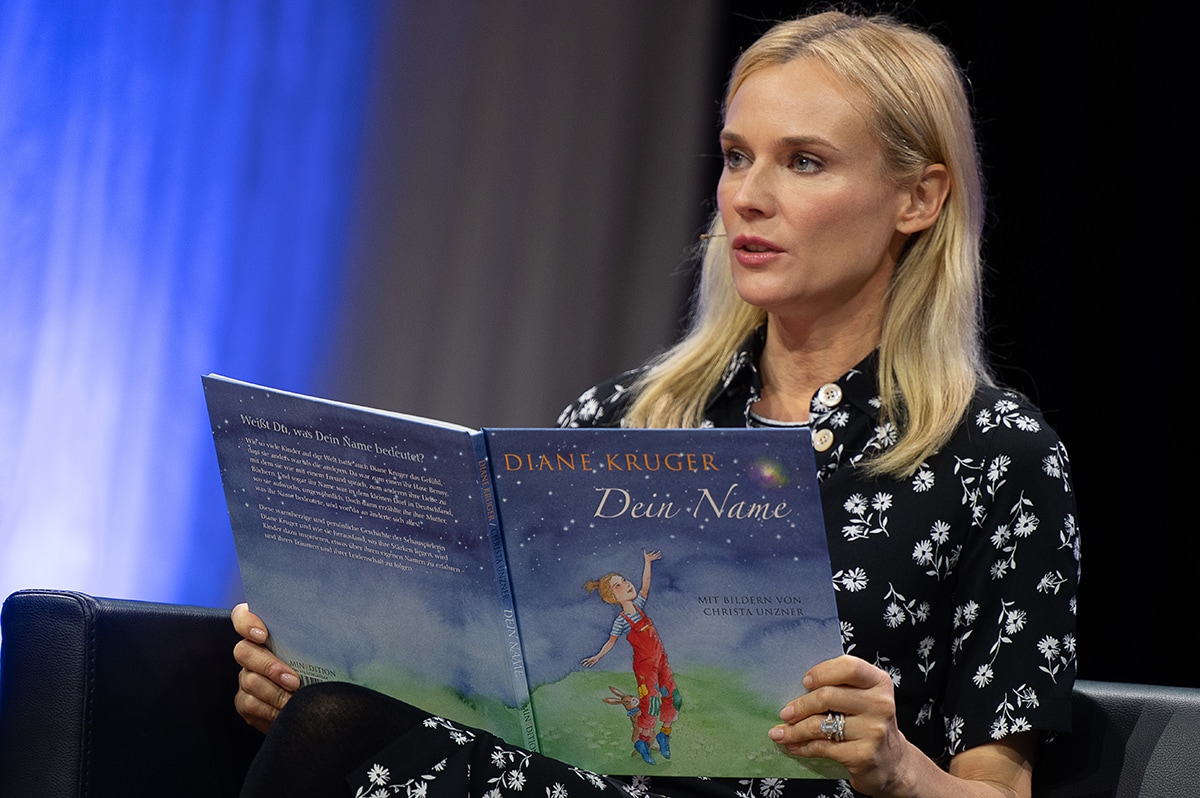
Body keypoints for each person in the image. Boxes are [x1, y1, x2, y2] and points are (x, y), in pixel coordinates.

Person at [232, 10, 1079, 798]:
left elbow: (998, 787)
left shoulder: (994, 457)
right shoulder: (622, 418)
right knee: (335, 712)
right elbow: (510, 694)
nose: (748, 195)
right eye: (737, 155)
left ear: (919, 199)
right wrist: (331, 662)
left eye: (804, 161)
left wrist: (897, 767)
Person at [581, 550, 681, 765]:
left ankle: (664, 733)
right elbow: (612, 641)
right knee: (652, 704)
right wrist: (598, 656)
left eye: (624, 580)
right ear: (612, 598)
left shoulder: (639, 606)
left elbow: (645, 585)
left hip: (661, 660)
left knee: (674, 698)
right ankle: (643, 742)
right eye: (618, 585)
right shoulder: (622, 620)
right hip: (645, 667)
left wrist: (647, 562)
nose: (626, 584)